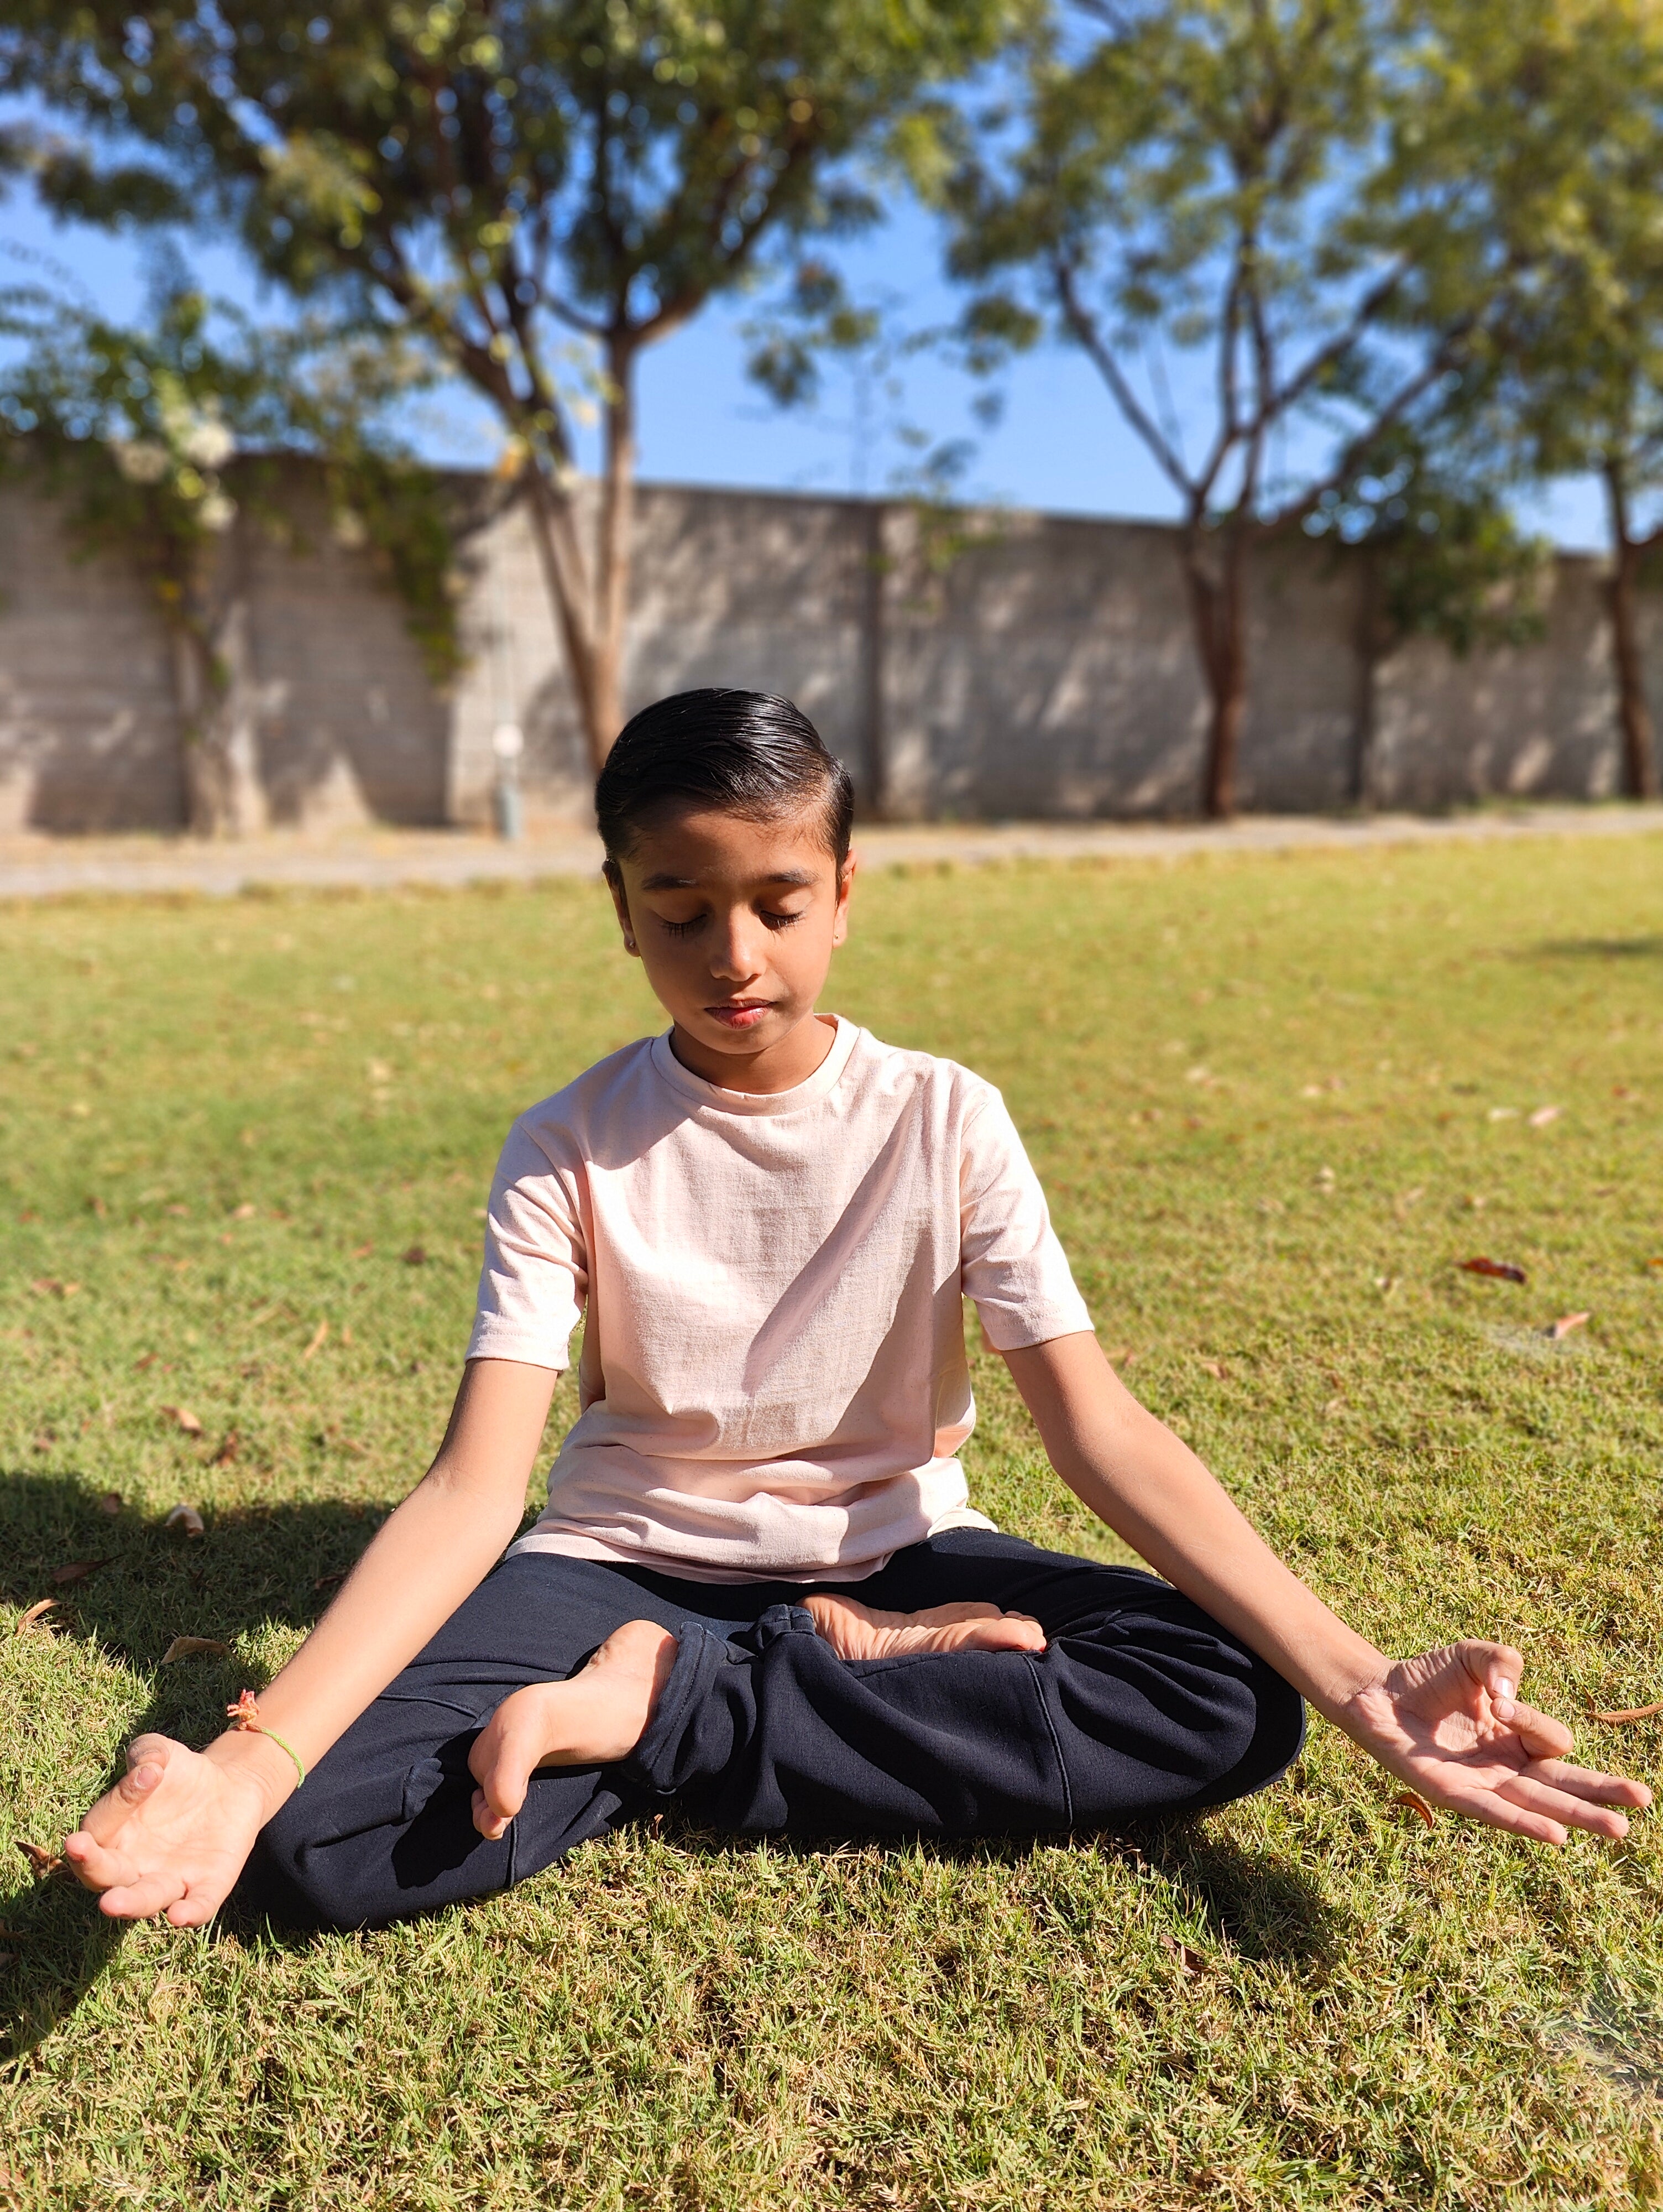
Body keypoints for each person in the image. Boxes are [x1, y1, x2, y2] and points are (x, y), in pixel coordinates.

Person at [64, 690, 1648, 1932]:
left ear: (843, 892)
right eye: (679, 909)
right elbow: (477, 1488)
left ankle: (667, 1710)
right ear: (620, 906)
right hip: (625, 1555)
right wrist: (242, 1765)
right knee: (329, 1839)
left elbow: (1095, 1430)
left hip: (894, 1554)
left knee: (1228, 1698)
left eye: (777, 902)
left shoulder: (947, 1117)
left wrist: (1363, 1684)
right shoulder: (564, 1145)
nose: (733, 956)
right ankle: (719, 1684)